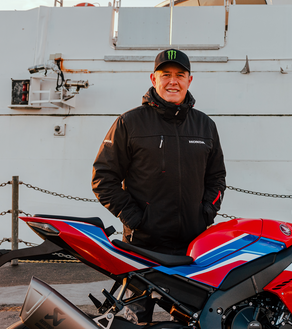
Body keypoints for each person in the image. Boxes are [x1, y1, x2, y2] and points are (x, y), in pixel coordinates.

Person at [92, 48, 226, 323]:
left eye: (180, 75)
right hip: (143, 247)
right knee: (131, 322)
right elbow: (103, 178)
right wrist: (135, 218)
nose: (173, 81)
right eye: (166, 75)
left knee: (193, 321)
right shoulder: (129, 123)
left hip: (192, 248)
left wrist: (205, 214)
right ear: (153, 79)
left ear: (190, 80)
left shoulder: (205, 125)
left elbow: (217, 179)